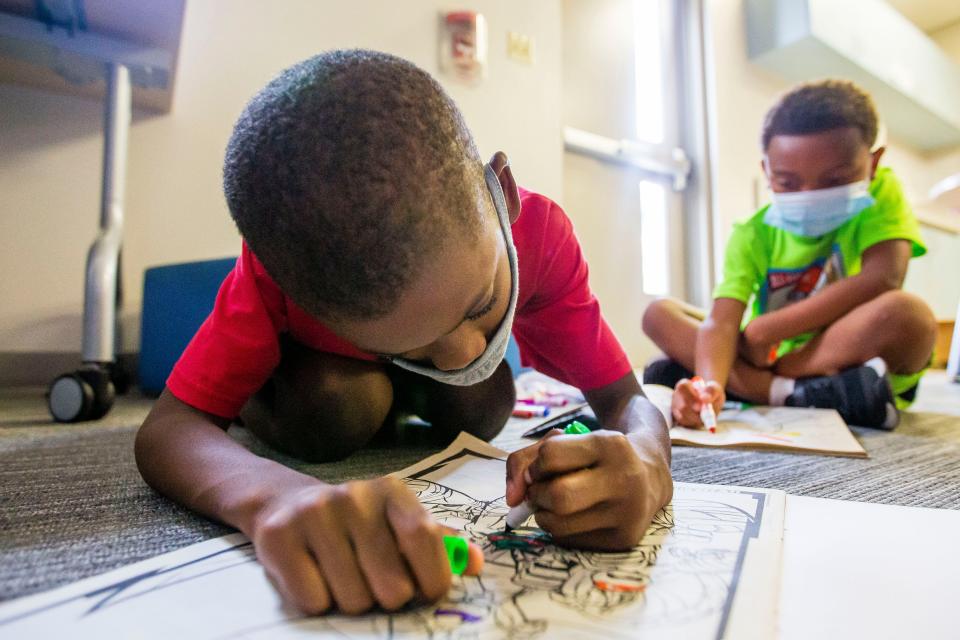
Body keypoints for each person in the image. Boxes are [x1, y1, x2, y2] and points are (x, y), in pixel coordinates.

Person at [134, 49, 673, 616]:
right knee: (337, 408)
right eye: (413, 348)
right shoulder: (276, 278)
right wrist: (274, 497)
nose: (467, 351)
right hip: (321, 384)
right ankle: (282, 394)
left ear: (504, 195)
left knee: (483, 399)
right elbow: (167, 430)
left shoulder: (540, 234)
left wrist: (645, 459)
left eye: (481, 302)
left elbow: (625, 398)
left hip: (435, 387)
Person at [642, 79, 936, 430]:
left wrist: (766, 330)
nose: (809, 194)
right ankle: (801, 393)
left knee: (910, 316)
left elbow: (885, 276)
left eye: (834, 180)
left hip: (843, 352)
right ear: (767, 171)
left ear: (873, 164)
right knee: (659, 313)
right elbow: (722, 320)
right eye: (788, 182)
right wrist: (708, 385)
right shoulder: (753, 231)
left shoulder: (882, 192)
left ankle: (759, 386)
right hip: (765, 356)